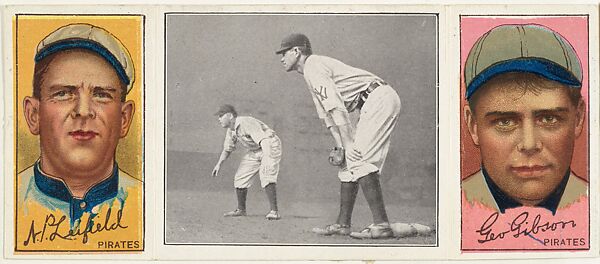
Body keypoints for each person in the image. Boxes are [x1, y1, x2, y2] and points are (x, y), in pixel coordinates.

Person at [18, 23, 141, 234]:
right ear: (34, 115)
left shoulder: (149, 202)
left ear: (124, 119)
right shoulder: (7, 199)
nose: (83, 111)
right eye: (63, 93)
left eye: (101, 95)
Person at [276, 33, 401, 239]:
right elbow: (327, 116)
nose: (281, 58)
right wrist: (341, 146)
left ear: (297, 51)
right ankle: (343, 224)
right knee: (348, 163)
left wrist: (349, 143)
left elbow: (335, 107)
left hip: (377, 98)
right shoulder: (310, 73)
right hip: (366, 104)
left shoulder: (313, 66)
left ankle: (381, 225)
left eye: (284, 52)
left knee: (358, 157)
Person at [462, 24, 588, 215]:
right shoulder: (450, 208)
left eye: (548, 118)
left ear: (578, 118)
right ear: (473, 126)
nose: (529, 144)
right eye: (505, 122)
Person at [211, 104, 282, 220]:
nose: (219, 119)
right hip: (255, 149)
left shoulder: (245, 123)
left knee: (267, 174)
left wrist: (267, 160)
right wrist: (219, 164)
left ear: (229, 116)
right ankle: (241, 210)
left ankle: (274, 212)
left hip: (270, 145)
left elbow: (264, 140)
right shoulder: (231, 130)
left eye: (220, 116)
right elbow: (227, 149)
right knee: (240, 176)